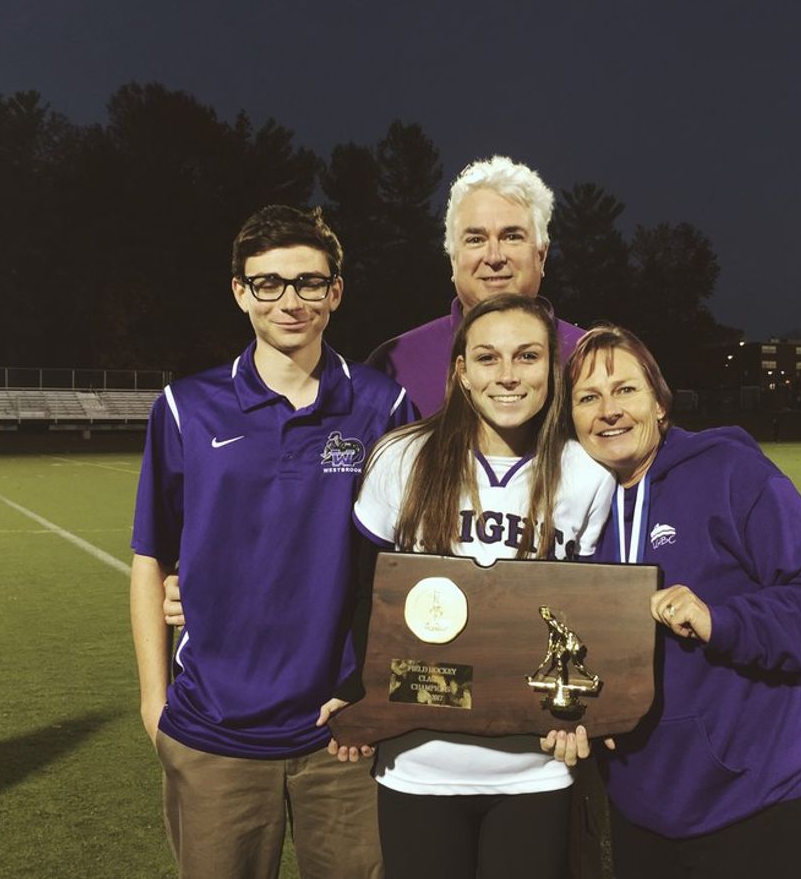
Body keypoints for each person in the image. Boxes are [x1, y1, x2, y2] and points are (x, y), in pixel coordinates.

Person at [129, 204, 414, 878]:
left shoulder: (384, 408)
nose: (291, 301)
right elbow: (150, 558)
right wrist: (152, 701)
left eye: (310, 282)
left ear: (336, 291)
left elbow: (406, 566)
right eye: (270, 283)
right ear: (240, 291)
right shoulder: (185, 407)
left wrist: (376, 697)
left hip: (341, 733)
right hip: (213, 731)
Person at [548, 324, 801, 879]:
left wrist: (722, 619)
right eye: (588, 398)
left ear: (661, 405)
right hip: (640, 798)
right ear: (571, 420)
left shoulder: (728, 471)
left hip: (761, 790)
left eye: (626, 390)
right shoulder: (574, 510)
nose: (609, 411)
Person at [352, 293, 616, 879]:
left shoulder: (586, 475)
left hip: (536, 764)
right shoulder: (402, 457)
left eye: (527, 357)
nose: (507, 375)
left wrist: (586, 715)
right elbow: (363, 594)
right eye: (487, 358)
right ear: (461, 372)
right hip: (418, 759)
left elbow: (597, 621)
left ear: (552, 370)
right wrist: (354, 690)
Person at [366, 155, 584, 416]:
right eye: (475, 239)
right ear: (453, 257)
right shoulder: (395, 365)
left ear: (541, 255)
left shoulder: (590, 358)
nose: (494, 257)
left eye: (512, 237)